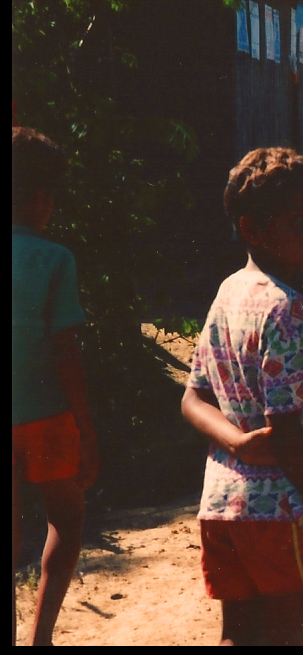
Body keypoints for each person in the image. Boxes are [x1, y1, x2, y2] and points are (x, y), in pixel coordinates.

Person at [181, 148, 303, 645]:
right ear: (253, 230)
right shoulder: (289, 311)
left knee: (238, 637)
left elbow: (193, 399)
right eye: (298, 220)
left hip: (223, 508)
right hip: (284, 514)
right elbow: (290, 437)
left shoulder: (229, 293)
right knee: (284, 636)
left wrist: (237, 444)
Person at [12, 127, 98, 646]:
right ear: (42, 197)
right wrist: (87, 430)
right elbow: (66, 353)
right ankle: (39, 637)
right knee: (65, 519)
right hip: (45, 415)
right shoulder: (53, 259)